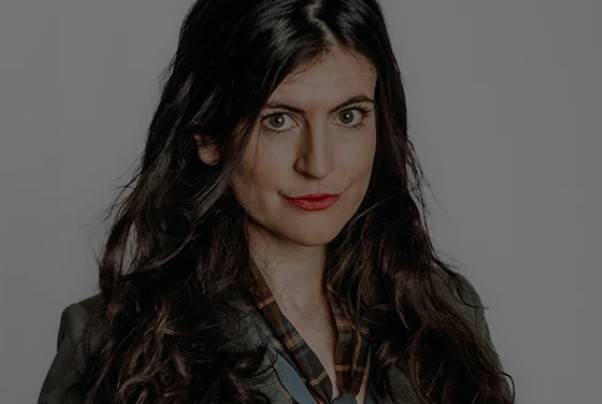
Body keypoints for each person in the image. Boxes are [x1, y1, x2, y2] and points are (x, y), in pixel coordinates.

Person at [38, 0, 515, 403]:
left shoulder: (445, 315)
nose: (318, 163)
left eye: (349, 116)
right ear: (209, 136)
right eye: (279, 120)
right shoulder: (113, 344)